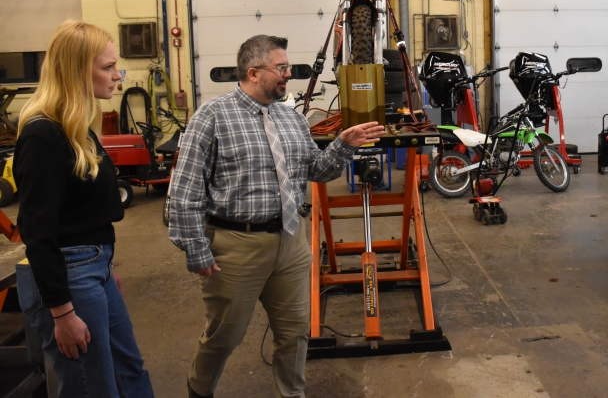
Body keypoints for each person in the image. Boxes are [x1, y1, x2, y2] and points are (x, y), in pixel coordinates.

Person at [169, 34, 384, 398]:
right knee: (226, 334)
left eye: (287, 67)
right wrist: (196, 249)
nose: (287, 75)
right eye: (280, 68)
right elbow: (185, 191)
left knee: (295, 332)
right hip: (236, 246)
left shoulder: (291, 119)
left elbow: (315, 171)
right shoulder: (212, 116)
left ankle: (291, 393)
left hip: (291, 241)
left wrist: (344, 144)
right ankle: (199, 390)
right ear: (254, 73)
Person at [13, 20, 155, 398]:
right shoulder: (43, 134)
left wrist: (105, 269)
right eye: (107, 68)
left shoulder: (79, 129)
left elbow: (85, 214)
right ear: (77, 70)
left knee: (130, 372)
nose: (117, 77)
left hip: (94, 268)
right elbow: (37, 233)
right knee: (94, 386)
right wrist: (62, 313)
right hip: (69, 274)